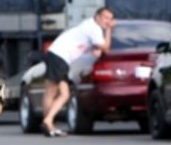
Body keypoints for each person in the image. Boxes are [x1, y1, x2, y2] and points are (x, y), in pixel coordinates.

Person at [41, 7, 115, 137]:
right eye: (105, 18)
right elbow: (106, 48)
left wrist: (94, 48)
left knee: (63, 94)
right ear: (97, 16)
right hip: (60, 56)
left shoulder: (89, 25)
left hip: (57, 55)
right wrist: (109, 30)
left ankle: (48, 123)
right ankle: (48, 121)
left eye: (110, 19)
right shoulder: (95, 28)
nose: (108, 21)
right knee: (52, 92)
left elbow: (88, 46)